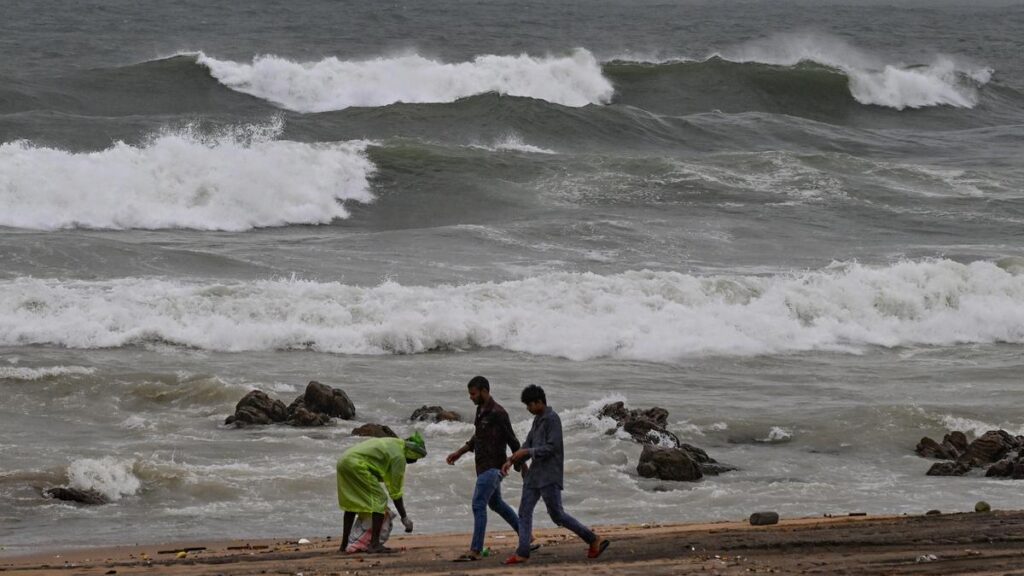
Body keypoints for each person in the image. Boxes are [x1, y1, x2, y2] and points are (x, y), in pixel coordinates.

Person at [501, 385, 609, 565]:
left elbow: (553, 447)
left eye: (529, 405)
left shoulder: (552, 419)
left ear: (539, 402)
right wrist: (512, 459)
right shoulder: (537, 420)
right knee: (524, 512)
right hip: (535, 475)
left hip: (550, 474)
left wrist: (528, 452)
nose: (528, 408)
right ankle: (522, 552)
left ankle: (593, 539)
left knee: (557, 515)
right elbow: (527, 444)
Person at [446, 376, 528, 562]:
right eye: (470, 394)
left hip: (494, 467)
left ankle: (475, 549)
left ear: (484, 391)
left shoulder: (499, 413)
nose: (471, 397)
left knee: (478, 504)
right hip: (482, 466)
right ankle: (526, 536)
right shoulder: (480, 410)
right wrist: (460, 452)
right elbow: (478, 437)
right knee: (495, 503)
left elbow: (512, 440)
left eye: (473, 393)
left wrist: (522, 465)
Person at [336, 432, 426, 554]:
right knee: (380, 499)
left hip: (344, 461)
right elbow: (395, 491)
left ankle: (343, 545)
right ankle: (374, 544)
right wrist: (404, 517)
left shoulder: (394, 443)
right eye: (415, 458)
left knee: (352, 503)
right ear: (411, 453)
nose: (414, 462)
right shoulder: (399, 456)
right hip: (357, 465)